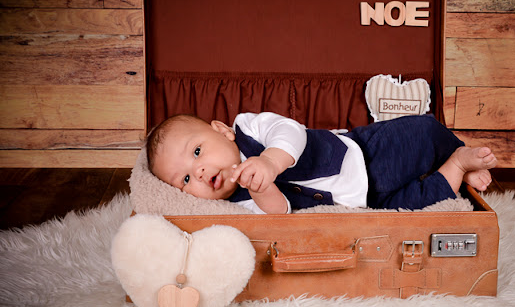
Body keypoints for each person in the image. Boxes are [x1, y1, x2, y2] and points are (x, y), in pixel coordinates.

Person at [147, 112, 497, 214]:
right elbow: (279, 213)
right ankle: (457, 167)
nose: (200, 172)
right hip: (364, 203)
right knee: (420, 204)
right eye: (185, 180)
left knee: (420, 131)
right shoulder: (235, 204)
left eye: (197, 153)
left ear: (221, 131)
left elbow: (291, 130)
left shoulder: (248, 127)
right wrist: (262, 188)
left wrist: (270, 162)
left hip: (362, 154)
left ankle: (457, 149)